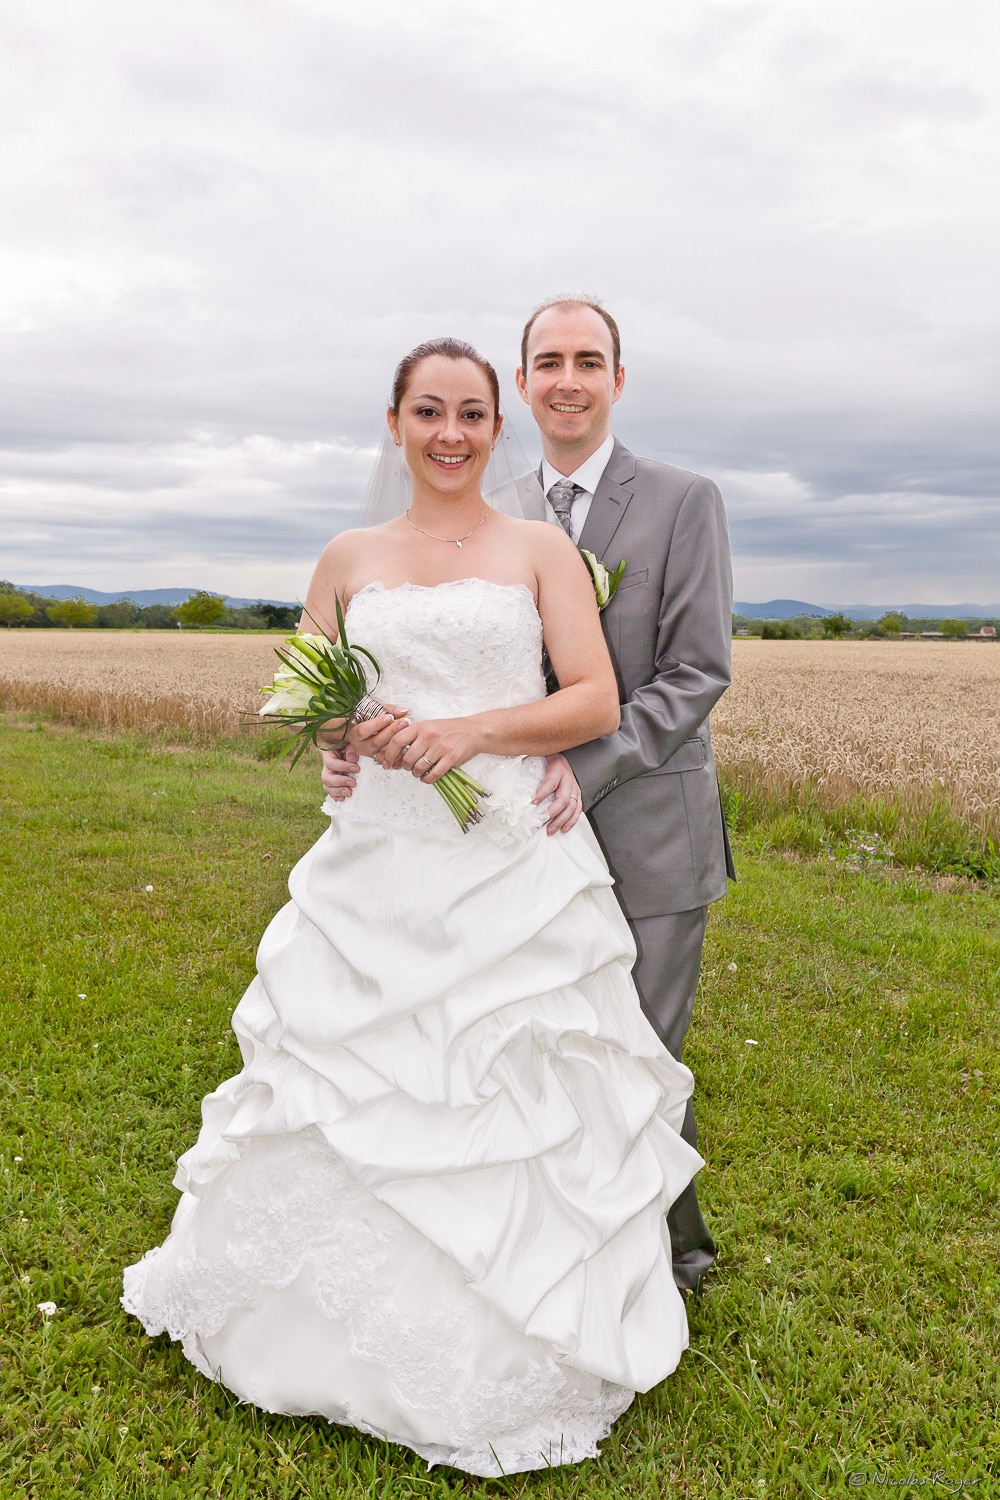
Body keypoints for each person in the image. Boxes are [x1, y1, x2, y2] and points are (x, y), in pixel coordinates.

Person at [122, 337, 704, 1479]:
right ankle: (308, 1331)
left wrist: (470, 732)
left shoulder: (538, 549)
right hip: (380, 854)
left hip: (510, 858)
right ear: (394, 422)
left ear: (497, 428)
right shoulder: (347, 554)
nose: (450, 433)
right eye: (428, 411)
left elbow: (589, 695)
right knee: (350, 1072)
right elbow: (311, 695)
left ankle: (518, 1328)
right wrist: (347, 740)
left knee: (509, 1077)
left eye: (473, 414)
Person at [325, 301, 735, 1292]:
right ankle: (521, 1251)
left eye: (586, 361)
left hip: (641, 817)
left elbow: (693, 671)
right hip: (487, 826)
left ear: (616, 380)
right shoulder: (482, 501)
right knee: (509, 1052)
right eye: (546, 360)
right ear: (522, 381)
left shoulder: (684, 499)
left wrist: (575, 763)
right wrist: (348, 741)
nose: (566, 378)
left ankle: (665, 1251)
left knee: (631, 1047)